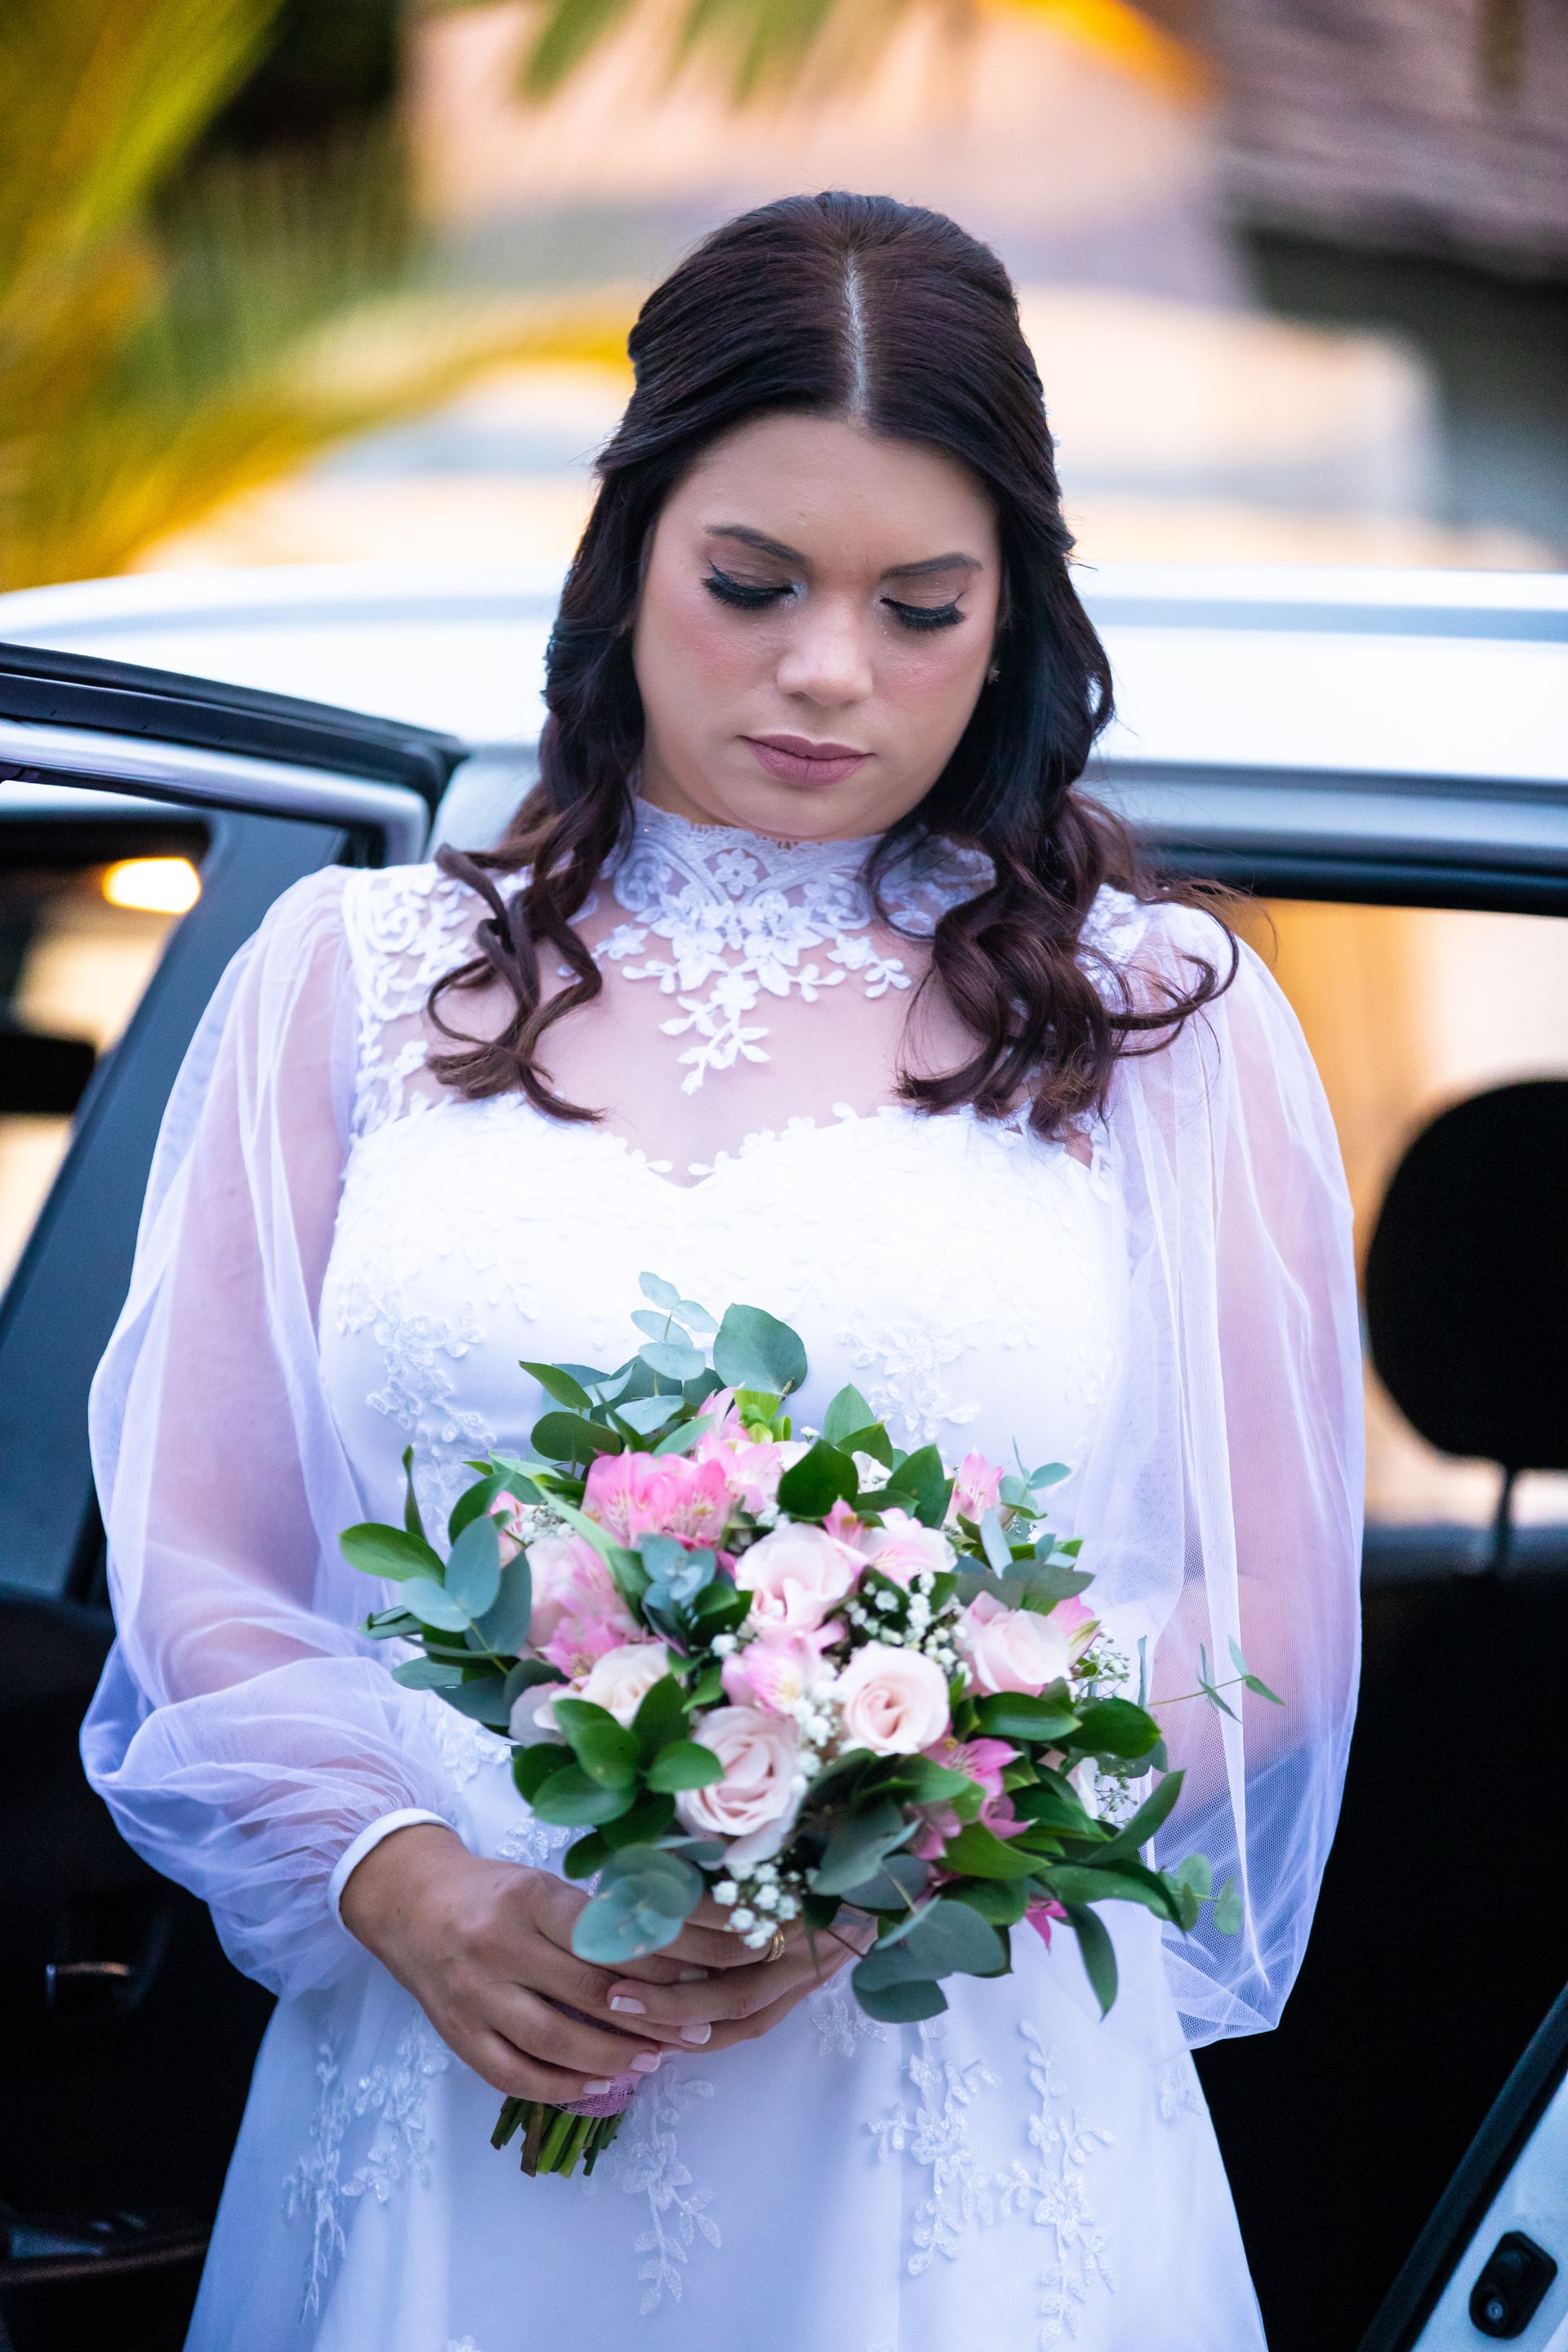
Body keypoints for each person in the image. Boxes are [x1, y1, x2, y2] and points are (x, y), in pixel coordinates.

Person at [82, 190, 1363, 2350]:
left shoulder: (1157, 1021)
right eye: (751, 585)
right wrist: (409, 1887)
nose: (827, 668)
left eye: (921, 606)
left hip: (946, 2109)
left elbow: (1262, 1624)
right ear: (626, 565)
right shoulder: (348, 982)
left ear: (1014, 620)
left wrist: (878, 1852)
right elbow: (203, 1568)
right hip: (456, 2060)